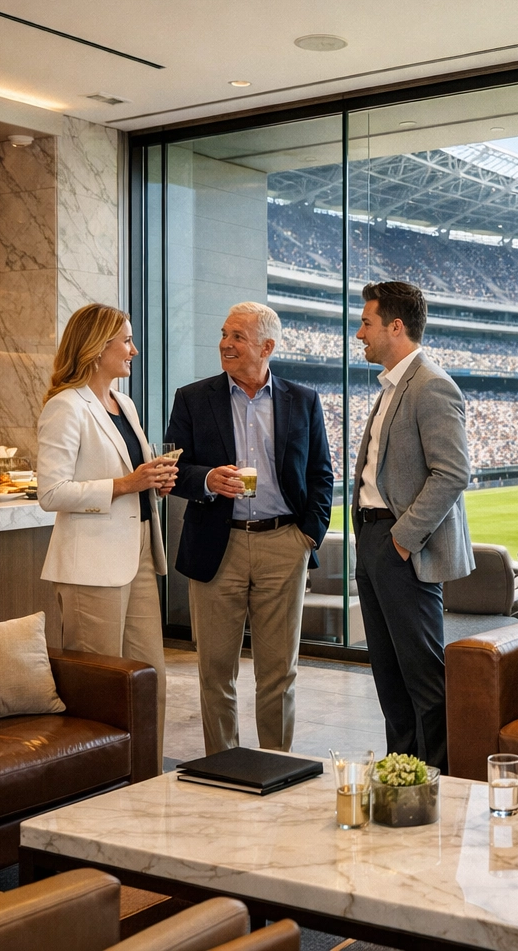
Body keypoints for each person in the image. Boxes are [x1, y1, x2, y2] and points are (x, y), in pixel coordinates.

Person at [165, 302, 333, 754]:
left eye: (238, 336)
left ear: (267, 346)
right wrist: (205, 479)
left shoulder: (303, 400)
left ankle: (277, 764)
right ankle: (223, 764)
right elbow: (172, 469)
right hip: (218, 547)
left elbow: (322, 475)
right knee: (216, 671)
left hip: (284, 544)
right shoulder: (193, 398)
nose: (226, 343)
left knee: (279, 672)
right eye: (224, 333)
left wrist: (307, 537)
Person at [38, 303, 176, 761]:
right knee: (100, 683)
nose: (134, 350)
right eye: (127, 341)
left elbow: (131, 476)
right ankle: (98, 779)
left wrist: (153, 482)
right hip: (91, 565)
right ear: (98, 349)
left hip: (137, 552)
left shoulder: (125, 404)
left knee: (148, 674)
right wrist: (126, 484)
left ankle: (147, 775)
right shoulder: (65, 406)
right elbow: (52, 492)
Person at [352, 280, 473, 771]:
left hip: (402, 545)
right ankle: (402, 775)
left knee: (423, 678)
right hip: (373, 539)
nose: (359, 333)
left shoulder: (431, 384)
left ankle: (439, 780)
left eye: (366, 322)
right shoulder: (392, 386)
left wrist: (402, 540)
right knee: (389, 677)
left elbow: (453, 473)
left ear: (395, 327)